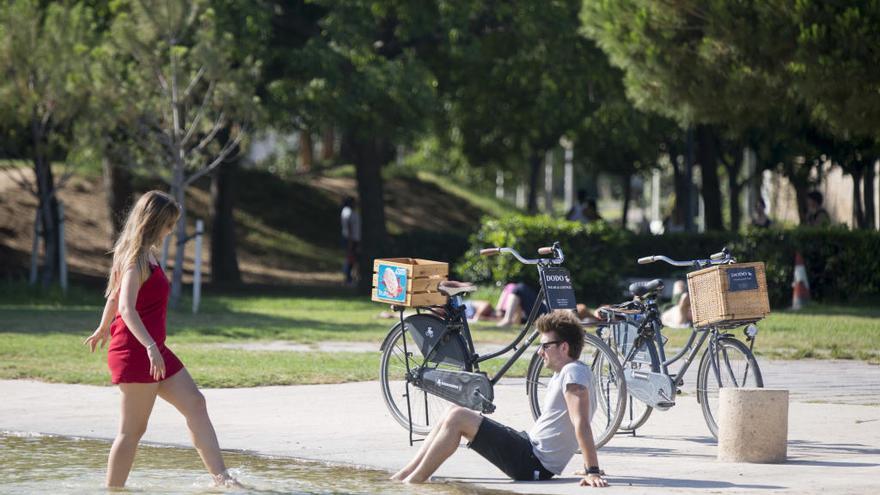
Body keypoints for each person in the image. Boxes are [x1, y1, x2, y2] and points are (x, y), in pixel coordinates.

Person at [84, 191, 238, 488]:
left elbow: (114, 297)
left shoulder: (143, 254)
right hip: (138, 351)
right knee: (132, 431)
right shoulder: (135, 259)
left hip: (154, 349)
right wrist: (150, 346)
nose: (172, 231)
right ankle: (113, 490)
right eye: (169, 225)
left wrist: (103, 326)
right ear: (154, 223)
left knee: (195, 403)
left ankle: (223, 480)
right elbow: (126, 307)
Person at [391, 310, 608, 487]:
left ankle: (412, 483)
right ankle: (404, 476)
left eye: (545, 346)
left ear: (564, 347)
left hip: (532, 462)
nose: (540, 352)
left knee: (458, 417)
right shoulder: (568, 372)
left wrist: (592, 470)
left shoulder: (573, 372)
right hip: (528, 447)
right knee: (453, 411)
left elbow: (580, 422)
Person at [340, 196, 361, 285]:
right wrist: (350, 241)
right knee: (351, 259)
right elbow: (349, 227)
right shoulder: (348, 212)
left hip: (354, 238)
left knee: (353, 259)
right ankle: (348, 278)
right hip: (351, 239)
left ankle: (352, 277)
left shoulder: (351, 212)